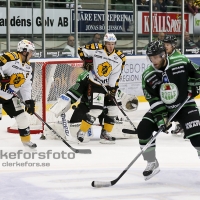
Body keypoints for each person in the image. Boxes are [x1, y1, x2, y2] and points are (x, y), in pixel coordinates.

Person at [137, 40, 200, 181]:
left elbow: (197, 73)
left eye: (155, 57)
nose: (153, 61)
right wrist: (161, 118)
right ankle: (151, 162)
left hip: (185, 105)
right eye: (150, 58)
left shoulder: (180, 61)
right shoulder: (148, 75)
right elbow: (153, 99)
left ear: (163, 54)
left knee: (197, 137)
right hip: (164, 108)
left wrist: (195, 86)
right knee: (143, 129)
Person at [50, 61, 138, 143]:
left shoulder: (108, 76)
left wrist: (126, 99)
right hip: (86, 106)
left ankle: (105, 133)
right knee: (75, 123)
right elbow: (75, 91)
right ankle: (82, 131)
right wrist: (64, 103)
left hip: (103, 108)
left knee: (112, 112)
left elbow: (116, 92)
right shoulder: (86, 77)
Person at [75, 33, 126, 144]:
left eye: (112, 44)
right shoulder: (96, 48)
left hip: (108, 86)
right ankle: (82, 131)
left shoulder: (120, 57)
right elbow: (80, 50)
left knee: (113, 109)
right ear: (104, 43)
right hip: (95, 85)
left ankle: (105, 133)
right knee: (96, 110)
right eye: (108, 44)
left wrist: (113, 90)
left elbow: (116, 75)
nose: (110, 46)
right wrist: (87, 61)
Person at [0, 39, 36, 149]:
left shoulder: (28, 68)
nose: (32, 54)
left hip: (9, 96)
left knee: (22, 117)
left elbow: (26, 86)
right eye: (30, 51)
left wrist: (28, 100)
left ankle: (26, 142)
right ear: (24, 51)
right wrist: (1, 78)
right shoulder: (9, 57)